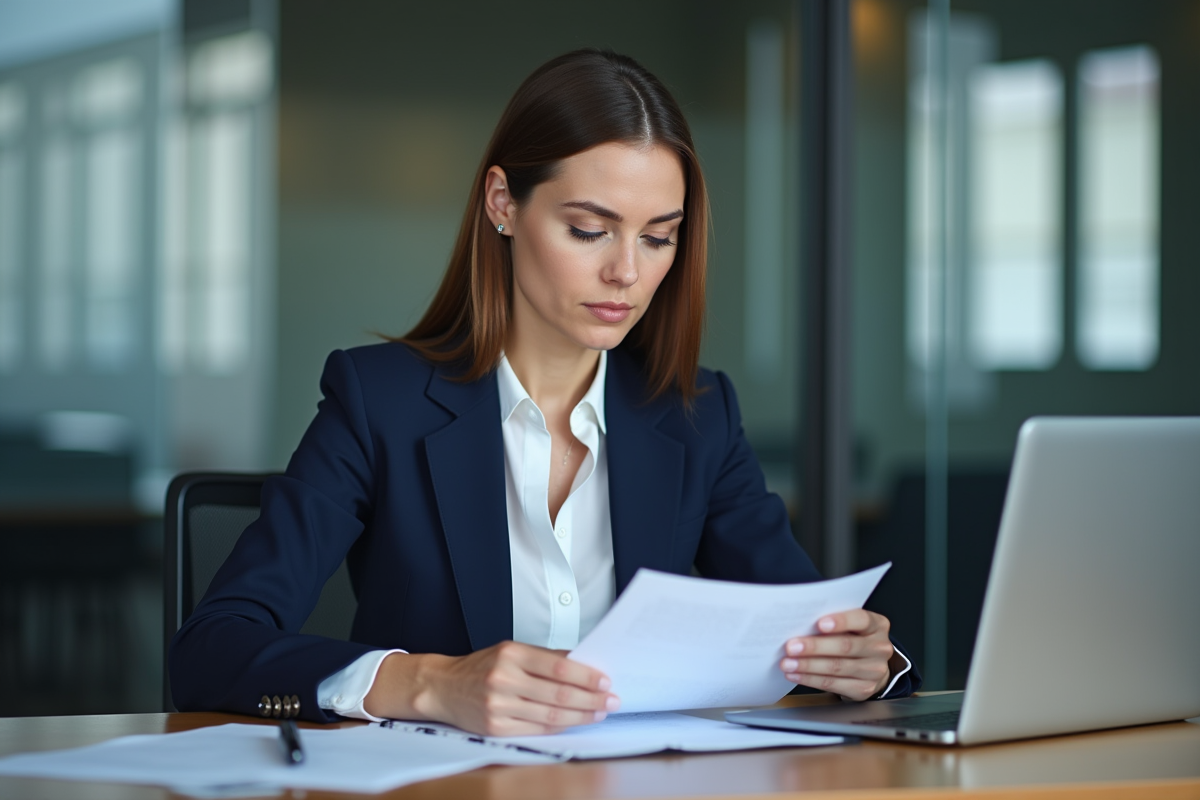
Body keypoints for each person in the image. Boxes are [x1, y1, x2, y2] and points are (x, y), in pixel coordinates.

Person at [170, 49, 919, 736]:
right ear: (503, 202)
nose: (627, 273)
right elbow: (211, 648)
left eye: (658, 237)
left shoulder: (698, 416)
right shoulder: (379, 403)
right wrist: (426, 683)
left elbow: (804, 630)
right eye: (590, 229)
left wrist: (865, 663)